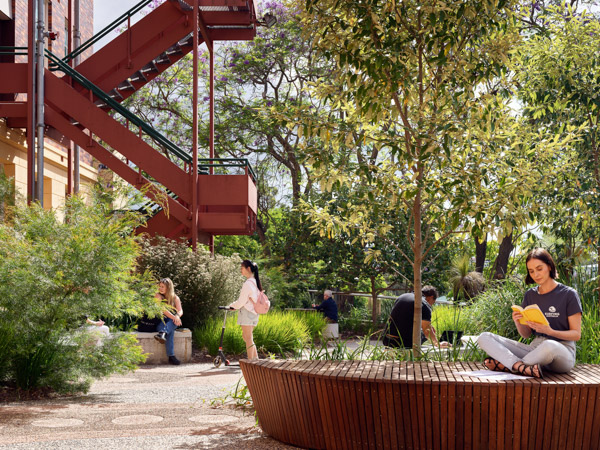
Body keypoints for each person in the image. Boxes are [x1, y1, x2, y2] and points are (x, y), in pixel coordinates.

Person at [478, 248, 582, 378]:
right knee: (484, 337)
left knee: (548, 345)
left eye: (539, 269)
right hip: (535, 351)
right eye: (531, 271)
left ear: (549, 266)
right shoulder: (530, 295)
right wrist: (518, 322)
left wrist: (549, 331)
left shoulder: (568, 294)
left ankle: (508, 365)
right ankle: (520, 366)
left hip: (561, 351)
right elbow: (526, 335)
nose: (536, 275)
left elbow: (576, 334)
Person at [228, 260, 261, 360]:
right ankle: (256, 359)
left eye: (242, 268)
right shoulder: (255, 282)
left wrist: (232, 306)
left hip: (247, 313)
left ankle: (251, 362)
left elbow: (241, 301)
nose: (240, 270)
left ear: (249, 269)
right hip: (254, 313)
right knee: (247, 337)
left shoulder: (248, 284)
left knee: (248, 338)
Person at [154, 277, 183, 365]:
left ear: (168, 287)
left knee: (171, 326)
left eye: (163, 286)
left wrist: (177, 316)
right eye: (160, 286)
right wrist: (175, 317)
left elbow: (180, 310)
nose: (160, 288)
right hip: (159, 322)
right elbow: (163, 310)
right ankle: (171, 356)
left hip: (168, 324)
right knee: (173, 324)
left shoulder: (175, 298)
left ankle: (163, 333)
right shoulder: (157, 296)